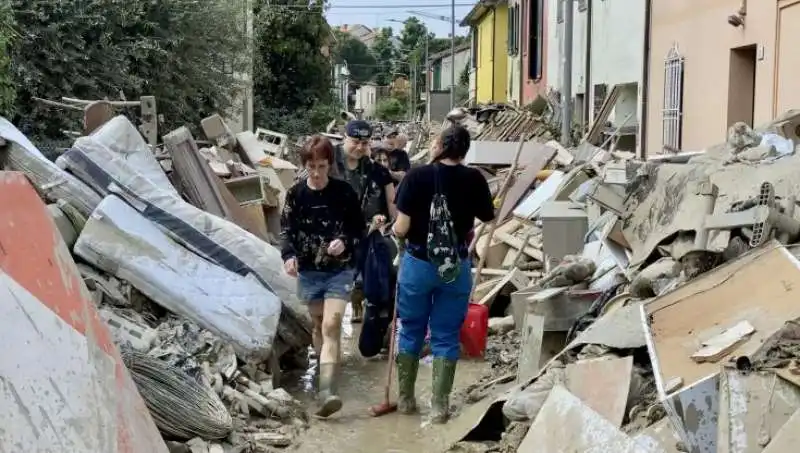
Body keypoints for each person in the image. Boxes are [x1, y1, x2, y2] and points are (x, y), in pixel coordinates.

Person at [391, 125, 495, 423]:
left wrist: (394, 234)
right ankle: (439, 407)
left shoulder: (416, 176)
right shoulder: (475, 178)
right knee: (446, 335)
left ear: (440, 145)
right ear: (464, 150)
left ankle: (406, 400)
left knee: (410, 328)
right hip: (455, 267)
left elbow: (401, 228)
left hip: (418, 264)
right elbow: (488, 217)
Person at [280, 135, 365, 418]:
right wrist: (288, 256)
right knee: (318, 326)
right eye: (311, 166)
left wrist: (344, 240)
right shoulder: (295, 195)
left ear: (330, 165)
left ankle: (328, 391)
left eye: (322, 166)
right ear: (304, 165)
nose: (316, 173)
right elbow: (286, 230)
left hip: (339, 269)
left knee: (332, 324)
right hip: (309, 270)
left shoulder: (343, 192)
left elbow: (357, 228)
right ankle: (323, 378)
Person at [337, 120, 397, 323]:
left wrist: (392, 226)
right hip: (333, 238)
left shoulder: (377, 171)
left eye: (365, 143)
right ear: (344, 137)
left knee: (369, 281)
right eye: (355, 141)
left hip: (369, 235)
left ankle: (372, 322)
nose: (360, 147)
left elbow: (391, 201)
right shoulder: (329, 165)